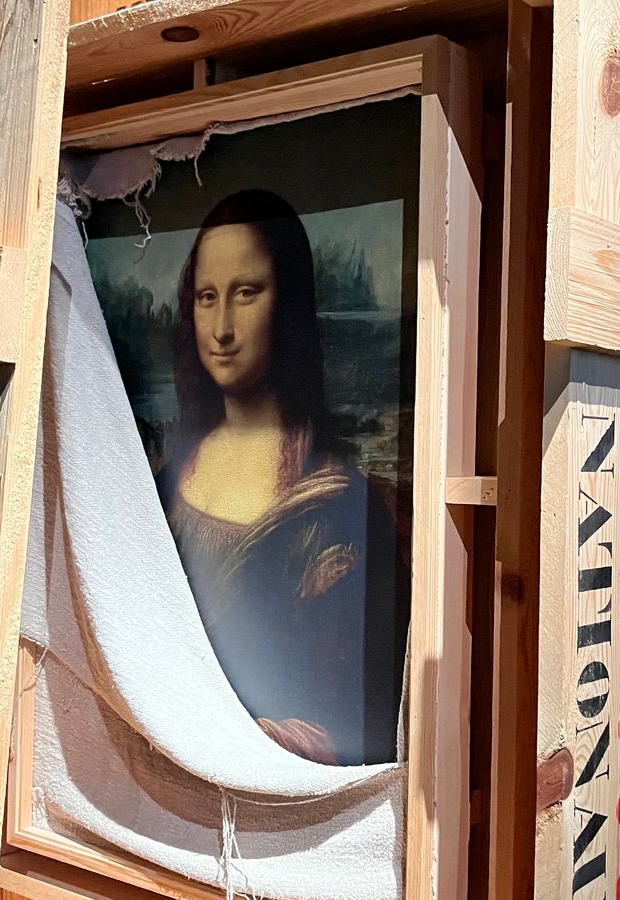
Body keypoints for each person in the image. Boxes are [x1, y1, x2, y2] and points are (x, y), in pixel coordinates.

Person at [157, 190, 408, 767]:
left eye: (246, 293)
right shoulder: (167, 484)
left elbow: (365, 710)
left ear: (287, 302)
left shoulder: (341, 505)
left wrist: (273, 738)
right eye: (207, 297)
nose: (222, 328)